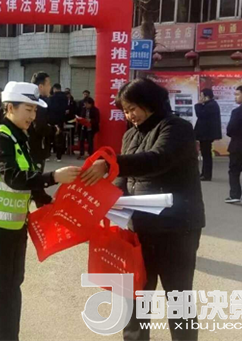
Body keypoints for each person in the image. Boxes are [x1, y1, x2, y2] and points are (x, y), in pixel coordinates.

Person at [81, 78, 205, 341]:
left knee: (178, 295)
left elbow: (157, 160)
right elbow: (123, 179)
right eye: (125, 111)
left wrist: (111, 163)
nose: (130, 115)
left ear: (149, 102)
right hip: (140, 228)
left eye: (133, 108)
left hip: (176, 228)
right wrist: (108, 201)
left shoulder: (176, 128)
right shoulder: (130, 134)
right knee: (136, 293)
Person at [0, 81, 81, 341]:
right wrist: (53, 177)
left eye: (35, 110)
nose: (32, 116)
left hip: (15, 227)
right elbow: (13, 177)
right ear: (10, 108)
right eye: (28, 109)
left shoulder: (19, 137)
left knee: (12, 286)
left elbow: (29, 177)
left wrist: (48, 202)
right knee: (1, 289)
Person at [28, 72, 53, 207]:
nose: (50, 87)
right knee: (36, 175)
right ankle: (41, 203)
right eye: (48, 84)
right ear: (40, 86)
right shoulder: (39, 104)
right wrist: (53, 130)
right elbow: (40, 127)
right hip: (36, 146)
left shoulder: (29, 100)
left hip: (29, 145)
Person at [194, 88, 222, 181]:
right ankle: (204, 173)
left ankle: (207, 175)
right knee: (205, 154)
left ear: (206, 96)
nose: (200, 98)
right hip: (205, 134)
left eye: (201, 96)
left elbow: (200, 115)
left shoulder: (211, 105)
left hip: (206, 135)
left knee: (206, 155)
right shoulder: (209, 105)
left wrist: (198, 104)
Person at [48, 83, 68, 162]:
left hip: (52, 120)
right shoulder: (65, 97)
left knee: (50, 138)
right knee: (59, 138)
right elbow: (66, 109)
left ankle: (48, 155)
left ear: (54, 89)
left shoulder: (51, 98)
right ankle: (59, 156)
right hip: (61, 120)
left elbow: (49, 108)